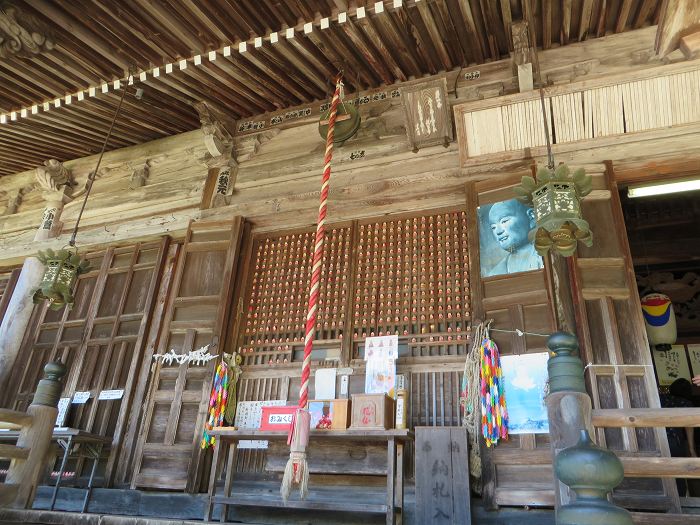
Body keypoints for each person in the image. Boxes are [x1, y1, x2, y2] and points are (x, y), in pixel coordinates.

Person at [484, 200, 543, 277]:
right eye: (493, 227)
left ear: (531, 216)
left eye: (504, 221)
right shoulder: (496, 273)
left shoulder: (544, 256)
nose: (498, 231)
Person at [659, 378, 697, 496]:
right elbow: (689, 426)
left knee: (660, 471)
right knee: (677, 471)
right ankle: (679, 498)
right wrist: (691, 450)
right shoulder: (685, 403)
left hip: (657, 440)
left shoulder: (661, 399)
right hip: (673, 441)